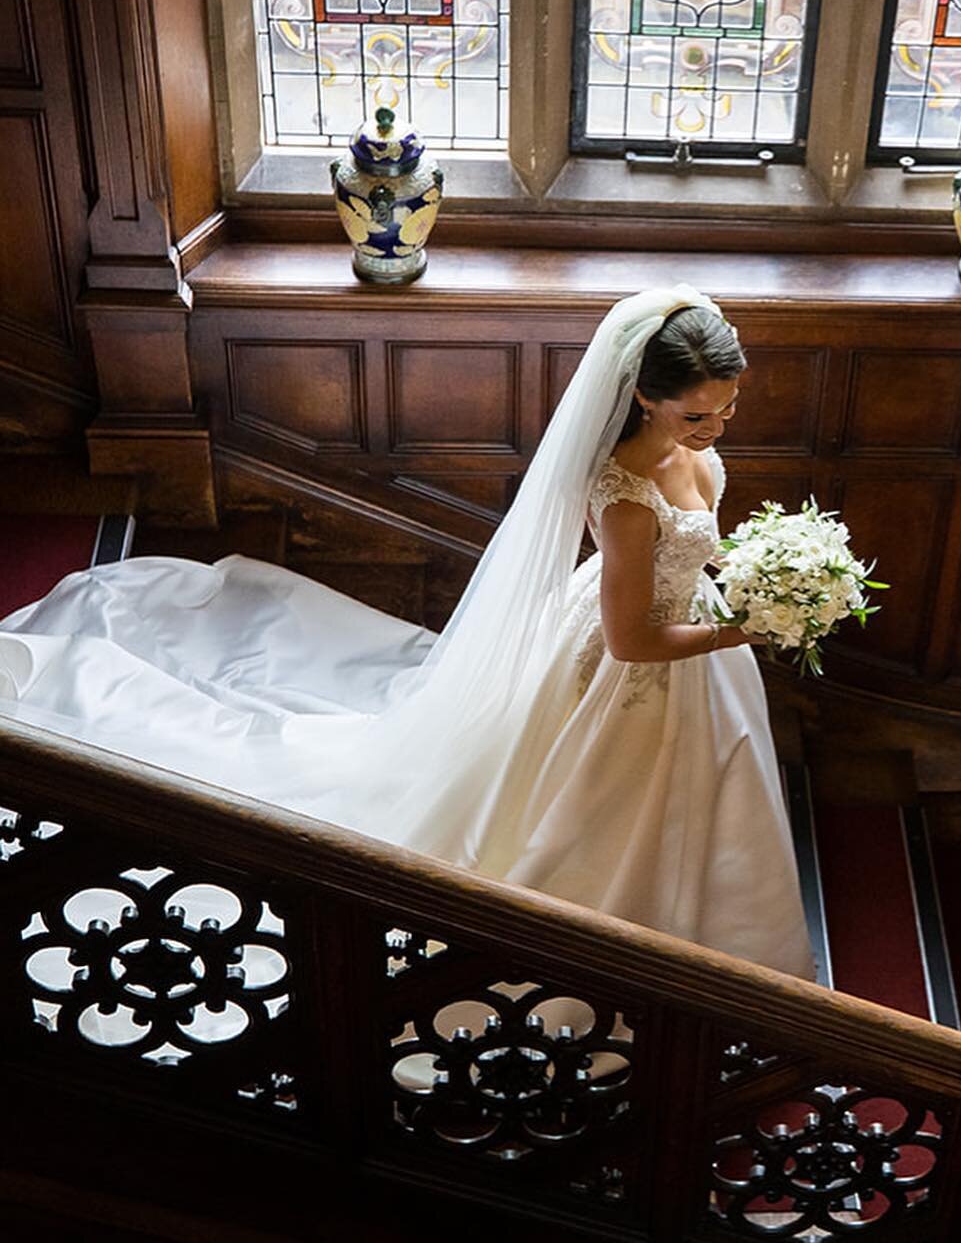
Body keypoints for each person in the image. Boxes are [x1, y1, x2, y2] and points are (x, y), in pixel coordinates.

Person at [0, 285, 815, 979]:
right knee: (593, 808)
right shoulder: (628, 498)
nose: (717, 425)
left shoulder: (696, 450)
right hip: (634, 654)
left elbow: (696, 546)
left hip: (691, 633)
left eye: (729, 405)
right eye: (698, 411)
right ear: (644, 395)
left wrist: (768, 581)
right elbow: (634, 641)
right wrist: (744, 630)